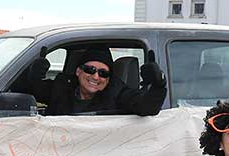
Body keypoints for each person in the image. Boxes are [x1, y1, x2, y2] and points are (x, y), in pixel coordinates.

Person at [25, 47, 167, 116]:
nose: (96, 77)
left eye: (103, 73)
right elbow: (29, 91)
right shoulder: (61, 87)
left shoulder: (117, 92)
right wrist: (33, 75)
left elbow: (147, 108)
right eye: (90, 69)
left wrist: (158, 84)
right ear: (78, 71)